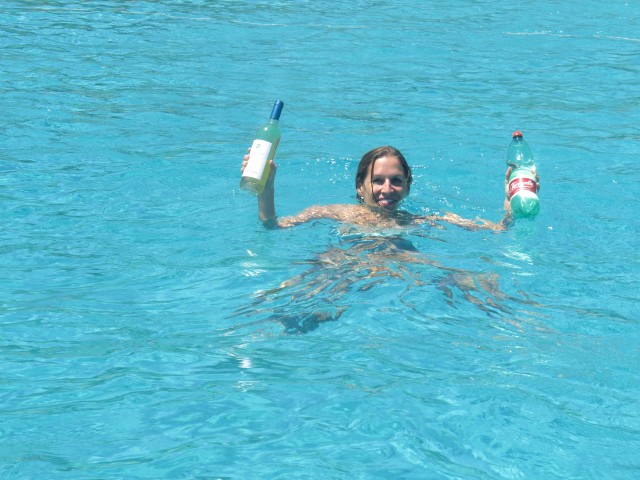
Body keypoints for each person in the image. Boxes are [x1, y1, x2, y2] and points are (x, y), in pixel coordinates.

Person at [241, 145, 515, 231]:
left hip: (400, 269)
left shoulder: (420, 220)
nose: (387, 188)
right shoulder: (333, 212)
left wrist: (510, 202)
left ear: (407, 187)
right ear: (360, 187)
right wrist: (266, 188)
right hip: (345, 267)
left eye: (396, 180)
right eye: (377, 180)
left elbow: (497, 230)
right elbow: (273, 226)